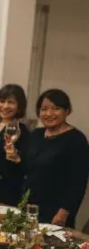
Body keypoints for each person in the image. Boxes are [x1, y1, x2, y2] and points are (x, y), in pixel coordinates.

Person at [14, 88, 89, 226]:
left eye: (55, 108)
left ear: (67, 111)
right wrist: (15, 157)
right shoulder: (36, 134)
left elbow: (78, 182)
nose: (49, 113)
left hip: (55, 212)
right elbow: (25, 166)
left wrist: (64, 212)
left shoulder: (76, 139)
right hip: (29, 207)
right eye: (44, 109)